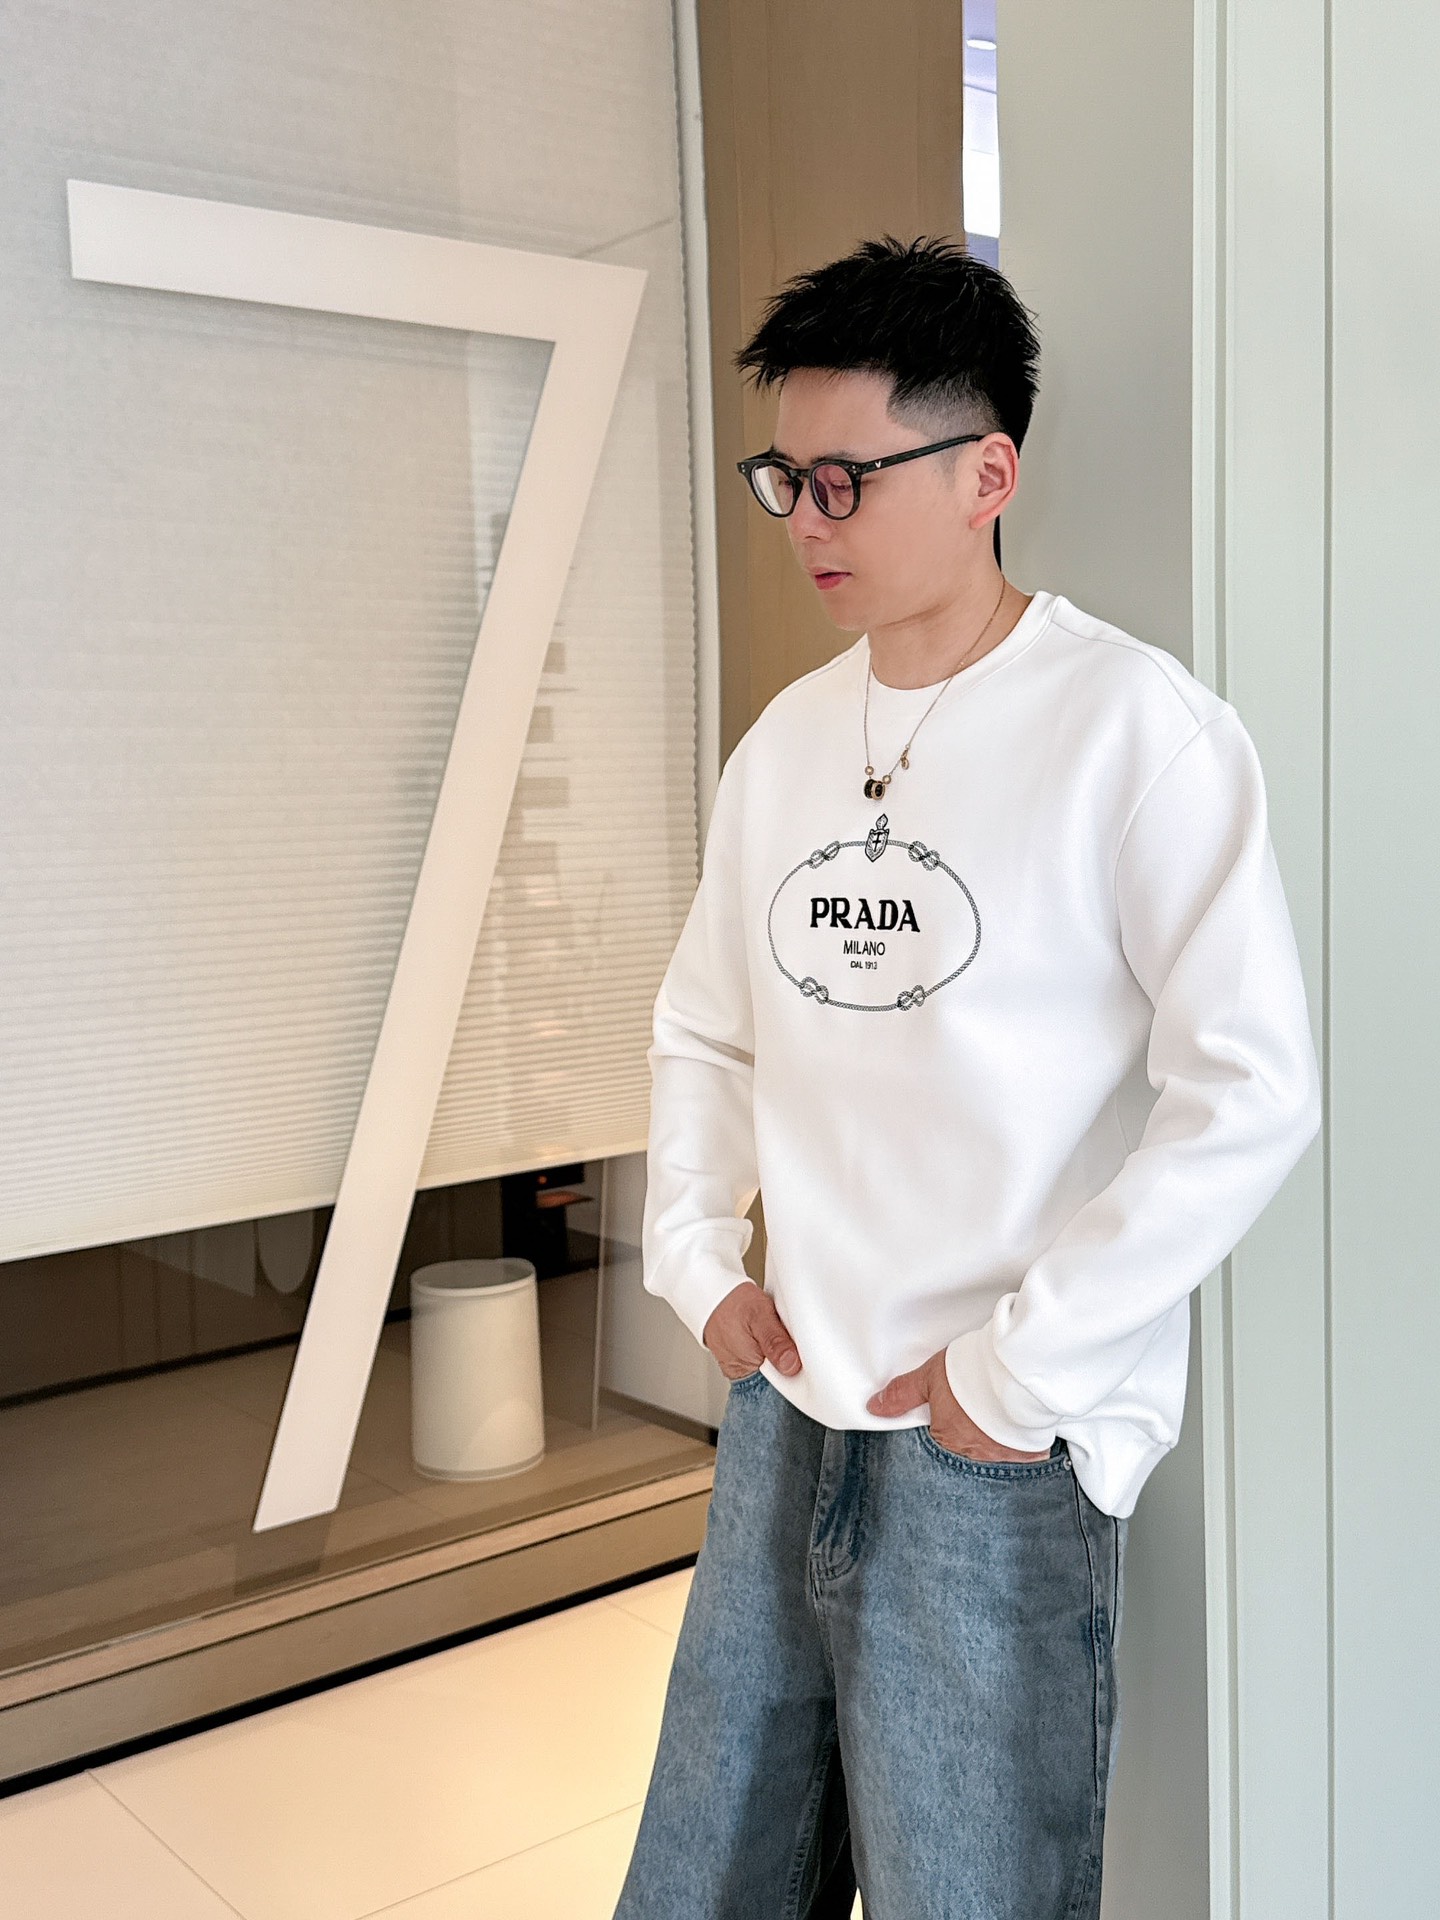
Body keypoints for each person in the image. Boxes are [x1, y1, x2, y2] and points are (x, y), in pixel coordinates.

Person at [612, 236, 1321, 1920]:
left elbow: (1253, 1088)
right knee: (704, 1881)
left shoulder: (1136, 732)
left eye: (847, 478)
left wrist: (1018, 1375)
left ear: (986, 473)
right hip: (789, 1406)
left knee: (969, 1896)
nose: (809, 519)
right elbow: (704, 1027)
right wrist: (696, 1260)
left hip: (990, 1443)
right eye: (788, 476)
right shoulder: (785, 744)